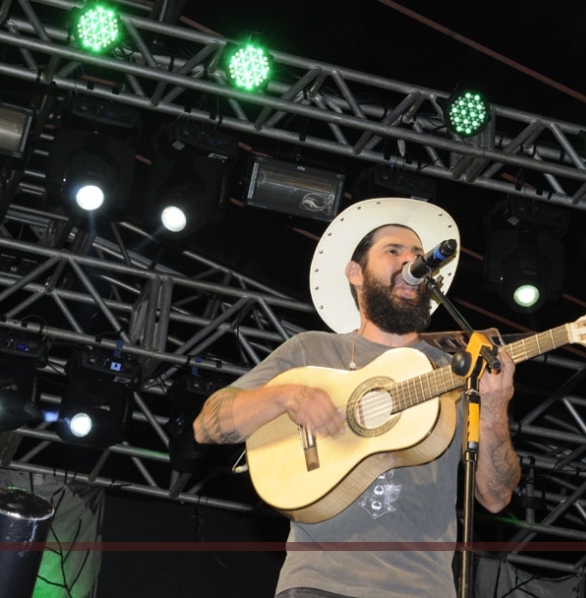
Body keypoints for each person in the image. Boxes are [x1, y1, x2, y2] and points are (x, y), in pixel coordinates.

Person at [193, 197, 521, 598]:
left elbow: (495, 496)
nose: (411, 261)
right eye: (393, 251)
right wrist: (287, 397)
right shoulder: (311, 352)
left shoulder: (456, 372)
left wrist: (494, 407)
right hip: (319, 584)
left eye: (418, 255)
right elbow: (208, 423)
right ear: (356, 273)